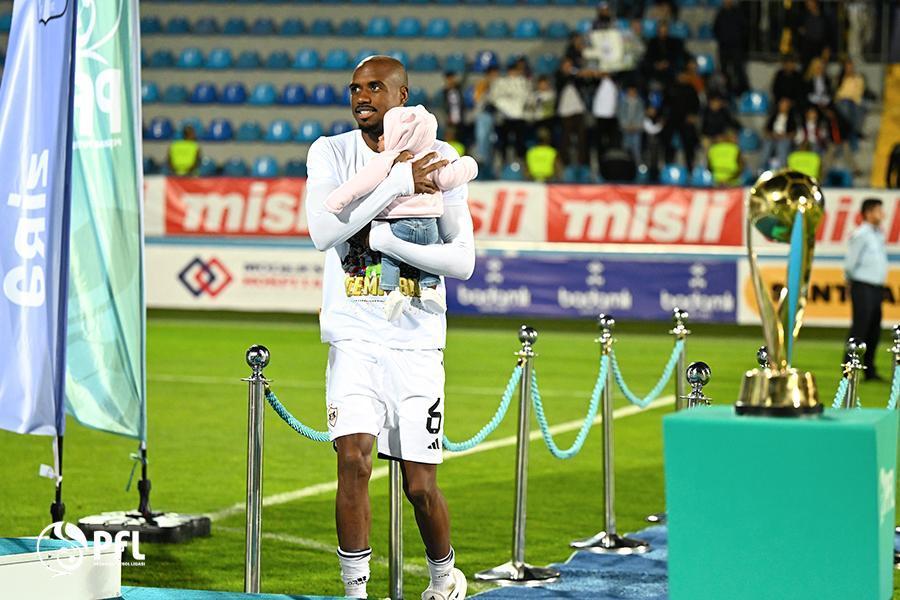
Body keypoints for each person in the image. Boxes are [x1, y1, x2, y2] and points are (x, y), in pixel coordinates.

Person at [305, 55, 473, 600]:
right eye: (355, 88)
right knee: (353, 460)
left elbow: (463, 259)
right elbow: (323, 231)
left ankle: (444, 578)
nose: (362, 96)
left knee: (419, 487)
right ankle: (355, 593)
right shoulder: (331, 152)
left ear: (403, 96)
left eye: (375, 87)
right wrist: (398, 180)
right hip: (353, 335)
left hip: (417, 340)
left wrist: (388, 241)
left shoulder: (440, 158)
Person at [323, 105, 478, 321]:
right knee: (429, 255)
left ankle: (391, 293)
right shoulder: (432, 157)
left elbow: (361, 183)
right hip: (429, 225)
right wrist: (469, 165)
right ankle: (430, 290)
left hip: (397, 223)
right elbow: (447, 179)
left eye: (386, 134)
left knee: (390, 260)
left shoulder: (387, 159)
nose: (380, 139)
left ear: (399, 136)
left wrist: (336, 200)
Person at [844, 198, 888, 381]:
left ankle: (869, 370)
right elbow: (850, 263)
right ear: (868, 213)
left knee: (873, 330)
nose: (882, 214)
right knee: (860, 328)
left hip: (876, 287)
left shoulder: (878, 234)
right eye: (879, 210)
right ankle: (848, 368)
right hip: (862, 286)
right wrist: (849, 282)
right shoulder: (861, 234)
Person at [490, 59, 531, 162]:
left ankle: (520, 161)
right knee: (503, 141)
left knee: (520, 141)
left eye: (515, 71)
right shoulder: (501, 82)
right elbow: (494, 98)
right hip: (505, 116)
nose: (513, 73)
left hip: (519, 117)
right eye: (511, 71)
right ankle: (504, 161)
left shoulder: (524, 82)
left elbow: (527, 97)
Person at [662, 68, 701, 171]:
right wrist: (664, 117)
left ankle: (690, 167)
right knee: (668, 142)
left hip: (686, 120)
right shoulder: (670, 87)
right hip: (672, 119)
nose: (683, 77)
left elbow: (696, 105)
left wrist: (693, 115)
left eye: (685, 75)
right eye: (681, 75)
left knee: (689, 143)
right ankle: (668, 165)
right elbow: (665, 104)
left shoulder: (691, 89)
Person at [555, 57, 589, 168]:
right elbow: (562, 82)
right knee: (566, 138)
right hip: (565, 111)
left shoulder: (576, 77)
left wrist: (579, 75)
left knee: (582, 137)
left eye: (570, 66)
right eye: (566, 66)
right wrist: (572, 74)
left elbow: (583, 84)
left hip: (578, 109)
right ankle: (565, 162)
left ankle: (582, 162)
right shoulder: (558, 76)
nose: (568, 68)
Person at [713, 0, 749, 96]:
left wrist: (739, 40)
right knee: (724, 70)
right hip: (724, 47)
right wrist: (722, 39)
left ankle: (742, 91)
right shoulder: (720, 13)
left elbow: (744, 29)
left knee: (738, 69)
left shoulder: (738, 13)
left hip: (736, 47)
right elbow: (715, 28)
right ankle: (727, 91)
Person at [760, 97, 798, 171]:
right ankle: (762, 168)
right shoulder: (773, 116)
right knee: (767, 144)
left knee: (782, 145)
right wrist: (772, 134)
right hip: (772, 137)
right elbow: (766, 129)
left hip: (785, 138)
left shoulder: (792, 118)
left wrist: (784, 135)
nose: (783, 106)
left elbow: (794, 133)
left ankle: (782, 168)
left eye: (785, 105)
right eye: (781, 104)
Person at [618, 83, 645, 164]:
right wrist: (626, 125)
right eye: (630, 91)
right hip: (626, 128)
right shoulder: (623, 102)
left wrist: (636, 126)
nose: (631, 93)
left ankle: (637, 165)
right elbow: (620, 114)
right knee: (626, 147)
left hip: (636, 129)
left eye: (633, 91)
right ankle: (625, 165)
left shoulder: (640, 102)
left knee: (636, 148)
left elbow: (641, 114)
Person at [442, 72, 466, 146]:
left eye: (452, 78)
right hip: (450, 120)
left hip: (460, 120)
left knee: (461, 140)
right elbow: (443, 106)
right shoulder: (444, 92)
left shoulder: (460, 90)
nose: (451, 81)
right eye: (449, 79)